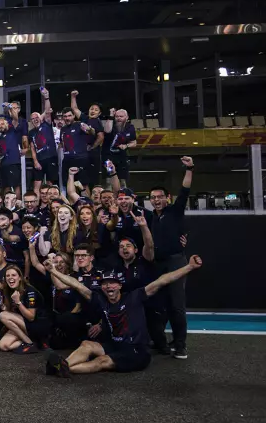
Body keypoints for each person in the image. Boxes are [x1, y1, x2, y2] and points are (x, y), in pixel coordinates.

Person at [45, 256, 203, 377]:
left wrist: (189, 266)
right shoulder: (101, 299)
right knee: (87, 344)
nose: (108, 286)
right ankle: (63, 365)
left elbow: (162, 281)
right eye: (105, 284)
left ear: (120, 285)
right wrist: (53, 271)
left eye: (112, 283)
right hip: (115, 346)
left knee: (102, 361)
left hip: (137, 351)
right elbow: (76, 284)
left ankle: (64, 368)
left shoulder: (134, 297)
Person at [146, 156, 194, 360]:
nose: (156, 200)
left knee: (176, 306)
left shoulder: (175, 210)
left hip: (175, 262)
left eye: (159, 196)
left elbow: (185, 190)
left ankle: (181, 345)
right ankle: (162, 342)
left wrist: (190, 168)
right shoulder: (150, 217)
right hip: (157, 264)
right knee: (159, 307)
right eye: (153, 197)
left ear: (168, 197)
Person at [0, 265, 49, 354]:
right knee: (3, 345)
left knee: (2, 315)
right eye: (8, 276)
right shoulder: (10, 290)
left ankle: (29, 342)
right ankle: (36, 343)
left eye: (13, 275)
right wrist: (0, 305)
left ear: (20, 277)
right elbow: (11, 314)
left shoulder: (30, 291)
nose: (10, 278)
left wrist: (18, 302)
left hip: (38, 325)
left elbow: (31, 317)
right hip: (24, 324)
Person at [29, 87, 58, 193]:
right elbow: (32, 149)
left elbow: (47, 111)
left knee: (51, 185)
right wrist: (35, 161)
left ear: (40, 118)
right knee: (37, 185)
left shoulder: (47, 124)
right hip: (39, 160)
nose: (35, 119)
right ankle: (36, 205)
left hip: (51, 158)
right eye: (32, 118)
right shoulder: (31, 133)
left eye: (36, 117)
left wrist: (46, 97)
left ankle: (52, 204)